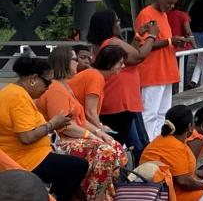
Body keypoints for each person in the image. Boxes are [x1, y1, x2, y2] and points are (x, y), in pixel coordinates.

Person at [38, 46, 127, 200]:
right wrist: (93, 135)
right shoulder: (55, 88)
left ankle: (102, 194)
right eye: (74, 59)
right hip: (60, 141)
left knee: (114, 146)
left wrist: (99, 133)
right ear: (64, 62)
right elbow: (64, 125)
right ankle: (94, 196)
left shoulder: (66, 87)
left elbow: (82, 120)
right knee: (107, 151)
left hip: (71, 136)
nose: (77, 63)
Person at [0, 56, 88, 200]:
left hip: (30, 155)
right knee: (78, 166)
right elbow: (26, 137)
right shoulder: (17, 97)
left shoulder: (14, 92)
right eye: (47, 82)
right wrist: (53, 124)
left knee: (73, 165)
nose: (48, 88)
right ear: (33, 79)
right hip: (25, 159)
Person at [85, 9, 155, 151]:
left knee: (130, 144)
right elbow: (138, 56)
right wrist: (152, 35)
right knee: (137, 145)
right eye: (116, 20)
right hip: (122, 100)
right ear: (109, 24)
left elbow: (128, 57)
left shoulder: (99, 45)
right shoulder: (113, 42)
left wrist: (138, 36)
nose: (119, 23)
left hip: (114, 100)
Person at [136, 0, 186, 141]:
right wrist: (170, 41)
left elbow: (163, 40)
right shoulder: (146, 14)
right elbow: (143, 46)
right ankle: (146, 145)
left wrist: (174, 42)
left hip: (166, 71)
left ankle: (157, 142)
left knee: (163, 112)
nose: (172, 6)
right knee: (149, 112)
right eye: (169, 2)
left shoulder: (163, 15)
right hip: (152, 72)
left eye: (174, 4)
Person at [140, 105, 203, 201]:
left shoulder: (162, 140)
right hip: (171, 195)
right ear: (190, 127)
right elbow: (183, 182)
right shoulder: (175, 146)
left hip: (160, 192)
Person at [69, 44, 127, 141]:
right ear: (110, 63)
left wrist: (100, 127)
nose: (123, 66)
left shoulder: (94, 74)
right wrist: (100, 131)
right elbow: (90, 112)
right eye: (120, 63)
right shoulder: (95, 76)